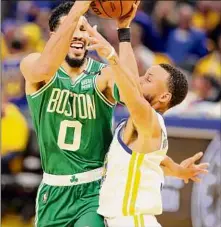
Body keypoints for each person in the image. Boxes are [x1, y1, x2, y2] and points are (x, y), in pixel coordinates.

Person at [20, 1, 208, 226]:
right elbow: (45, 68)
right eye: (71, 28)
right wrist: (79, 8)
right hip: (52, 190)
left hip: (93, 192)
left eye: (83, 28)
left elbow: (134, 93)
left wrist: (123, 32)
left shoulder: (104, 75)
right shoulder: (33, 66)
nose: (78, 34)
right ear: (54, 35)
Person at [83, 15, 209, 227]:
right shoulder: (141, 125)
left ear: (164, 97)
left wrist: (111, 55)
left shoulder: (149, 121)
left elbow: (129, 88)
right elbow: (159, 162)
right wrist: (124, 31)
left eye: (149, 79)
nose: (140, 79)